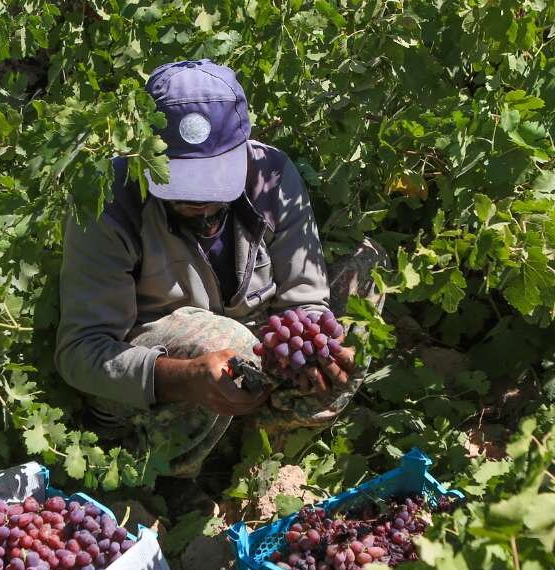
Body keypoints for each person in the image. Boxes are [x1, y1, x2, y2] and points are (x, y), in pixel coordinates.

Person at [55, 59, 385, 477]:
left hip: (245, 342)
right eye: (181, 183)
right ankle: (164, 470)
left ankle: (263, 433)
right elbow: (80, 353)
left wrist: (316, 353)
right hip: (149, 364)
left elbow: (307, 301)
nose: (202, 202)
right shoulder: (108, 203)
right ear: (143, 153)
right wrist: (184, 377)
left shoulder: (272, 176)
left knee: (364, 276)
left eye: (213, 181)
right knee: (226, 344)